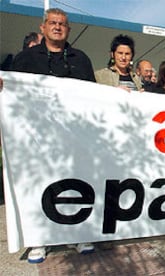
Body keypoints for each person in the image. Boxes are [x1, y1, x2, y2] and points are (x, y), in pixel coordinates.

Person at [10, 8, 95, 263]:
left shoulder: (80, 58)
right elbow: (13, 91)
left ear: (68, 29)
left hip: (73, 135)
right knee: (40, 184)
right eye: (53, 23)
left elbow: (94, 95)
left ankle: (78, 233)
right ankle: (39, 239)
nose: (58, 27)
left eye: (62, 24)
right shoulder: (25, 58)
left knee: (75, 182)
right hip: (37, 136)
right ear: (43, 27)